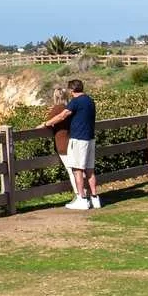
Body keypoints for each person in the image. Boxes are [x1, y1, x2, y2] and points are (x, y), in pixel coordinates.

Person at [36, 78, 99, 209]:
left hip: (78, 139)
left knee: (77, 170)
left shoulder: (75, 102)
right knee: (90, 170)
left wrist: (46, 124)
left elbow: (62, 115)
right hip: (90, 138)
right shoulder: (90, 100)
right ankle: (95, 198)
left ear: (71, 90)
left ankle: (81, 199)